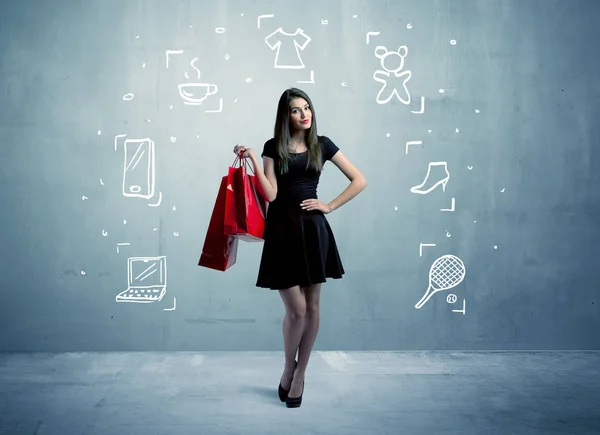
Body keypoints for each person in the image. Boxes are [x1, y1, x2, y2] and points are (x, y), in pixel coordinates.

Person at [233, 87, 367, 408]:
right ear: (286, 115)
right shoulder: (272, 147)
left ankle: (301, 373)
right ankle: (287, 367)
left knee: (314, 309)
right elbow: (270, 195)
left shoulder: (323, 144)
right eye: (296, 109)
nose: (304, 114)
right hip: (282, 232)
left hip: (312, 230)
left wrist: (329, 206)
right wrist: (253, 158)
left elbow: (359, 179)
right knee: (297, 311)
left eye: (307, 107)